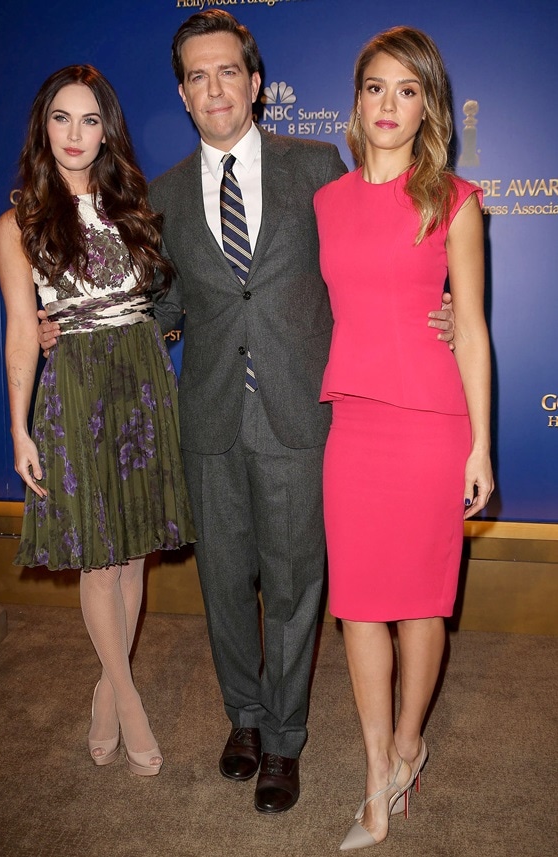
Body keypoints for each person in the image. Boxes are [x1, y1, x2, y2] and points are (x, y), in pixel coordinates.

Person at [38, 12, 455, 814]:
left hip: (301, 416)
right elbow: (161, 304)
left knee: (298, 587)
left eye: (227, 71)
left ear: (256, 85)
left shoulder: (318, 169)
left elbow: (366, 260)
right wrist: (81, 326)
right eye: (196, 76)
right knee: (226, 584)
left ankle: (286, 741)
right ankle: (247, 720)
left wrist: (432, 309)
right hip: (210, 418)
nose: (213, 87)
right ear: (184, 95)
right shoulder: (157, 196)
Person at [314, 27, 494, 849]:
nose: (390, 105)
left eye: (408, 91)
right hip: (354, 421)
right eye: (377, 88)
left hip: (431, 424)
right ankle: (374, 769)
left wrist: (481, 445)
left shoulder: (453, 199)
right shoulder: (327, 200)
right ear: (357, 100)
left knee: (422, 599)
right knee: (357, 606)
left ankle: (408, 745)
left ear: (429, 107)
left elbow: (474, 328)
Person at [0, 65, 195, 778]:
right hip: (76, 386)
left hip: (140, 376)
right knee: (100, 557)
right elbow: (24, 329)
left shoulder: (135, 202)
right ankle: (129, 696)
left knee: (134, 546)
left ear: (107, 129)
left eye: (89, 120)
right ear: (41, 127)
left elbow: (168, 301)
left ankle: (107, 686)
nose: (75, 135)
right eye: (61, 118)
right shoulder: (17, 222)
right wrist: (20, 427)